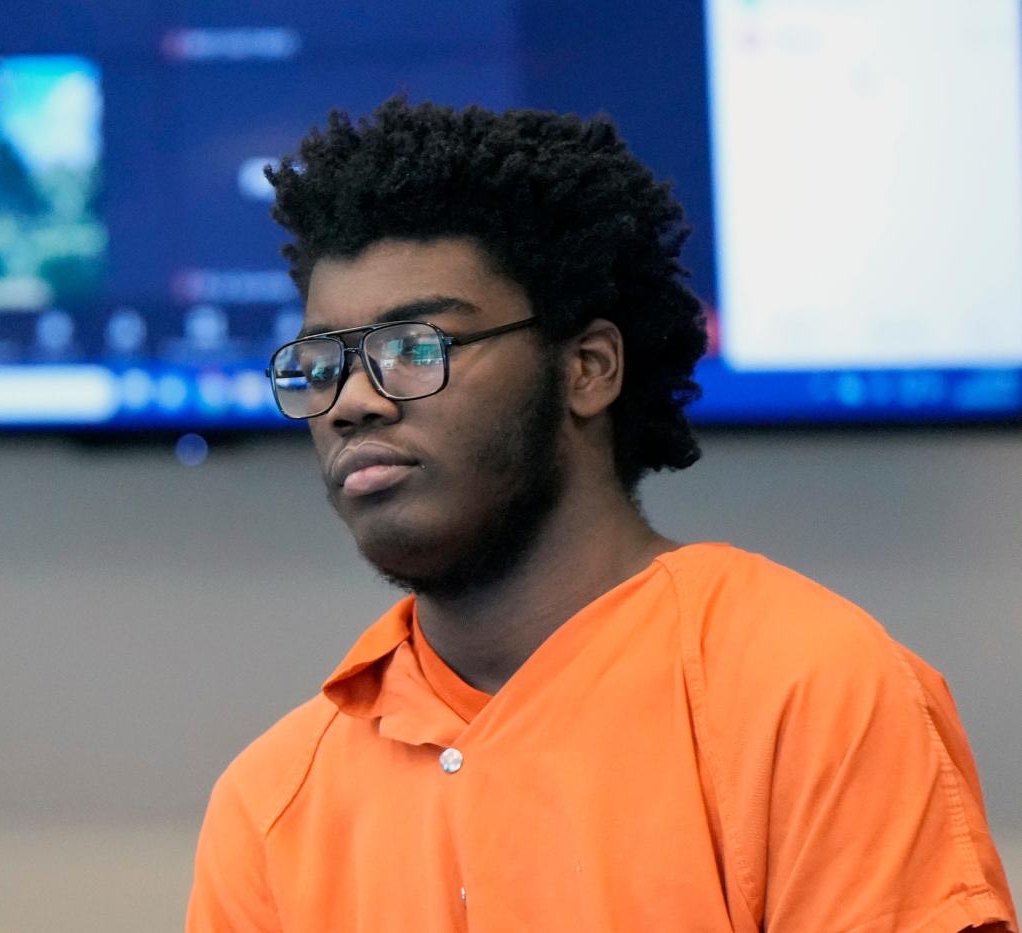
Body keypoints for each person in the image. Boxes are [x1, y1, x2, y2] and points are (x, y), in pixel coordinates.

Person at [186, 98, 1017, 932]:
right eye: (320, 363)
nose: (351, 403)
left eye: (414, 348)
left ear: (588, 368)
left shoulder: (804, 692)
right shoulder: (271, 805)